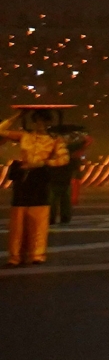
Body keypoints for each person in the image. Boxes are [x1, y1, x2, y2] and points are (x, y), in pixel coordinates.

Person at [2, 108, 68, 267]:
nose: (40, 124)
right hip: (23, 180)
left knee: (38, 219)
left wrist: (44, 163)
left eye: (44, 121)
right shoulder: (24, 136)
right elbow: (1, 130)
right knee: (18, 219)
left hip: (40, 178)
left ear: (49, 123)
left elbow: (64, 159)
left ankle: (37, 254)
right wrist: (17, 115)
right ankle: (15, 256)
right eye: (37, 120)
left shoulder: (55, 139)